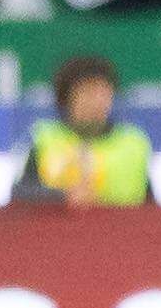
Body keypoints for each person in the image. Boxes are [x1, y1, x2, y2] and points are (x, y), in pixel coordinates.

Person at [12, 55, 152, 206]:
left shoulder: (132, 143)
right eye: (88, 92)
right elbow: (19, 193)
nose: (98, 101)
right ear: (67, 97)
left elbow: (151, 203)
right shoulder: (46, 139)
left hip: (122, 227)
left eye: (104, 92)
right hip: (60, 227)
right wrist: (63, 196)